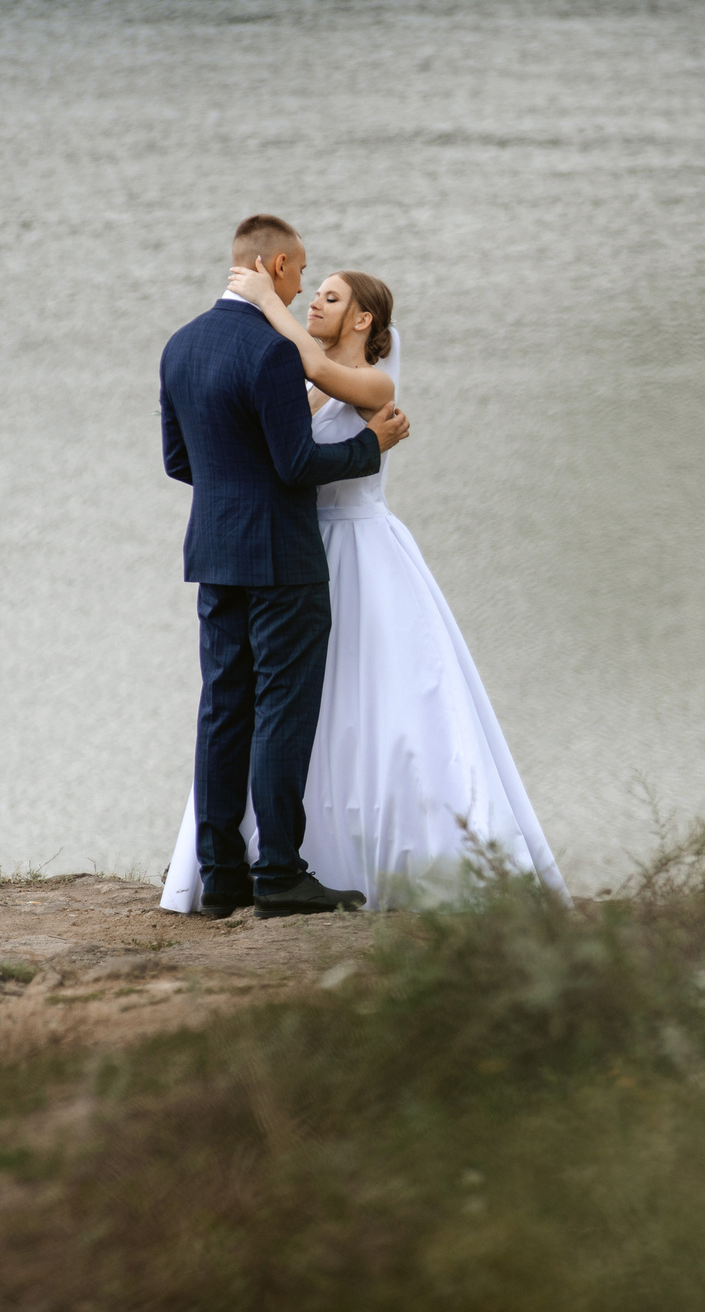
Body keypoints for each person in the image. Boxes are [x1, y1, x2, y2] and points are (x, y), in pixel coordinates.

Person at [159, 259, 564, 913]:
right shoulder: (301, 379)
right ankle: (277, 855)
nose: (314, 304)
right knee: (282, 707)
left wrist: (264, 300)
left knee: (380, 697)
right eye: (310, 295)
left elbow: (319, 372)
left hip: (360, 549)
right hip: (295, 550)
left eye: (329, 298)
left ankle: (377, 851)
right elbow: (289, 448)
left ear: (363, 317)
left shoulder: (368, 380)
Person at [159, 214, 410, 918]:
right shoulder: (274, 353)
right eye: (299, 272)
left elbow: (181, 461)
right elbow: (297, 463)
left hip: (214, 553)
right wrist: (369, 450)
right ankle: (277, 873)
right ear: (273, 267)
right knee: (281, 712)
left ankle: (220, 872)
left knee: (223, 708)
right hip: (281, 558)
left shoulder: (179, 346)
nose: (302, 286)